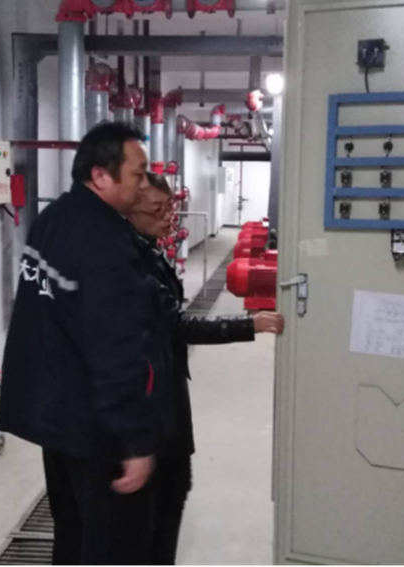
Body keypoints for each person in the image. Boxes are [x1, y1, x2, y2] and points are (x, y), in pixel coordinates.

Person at [0, 122, 162, 567]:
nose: (144, 184)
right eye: (138, 174)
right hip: (96, 426)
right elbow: (114, 349)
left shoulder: (53, 219)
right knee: (113, 547)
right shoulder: (105, 241)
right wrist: (134, 442)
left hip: (56, 418)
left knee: (72, 532)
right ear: (101, 175)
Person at [127, 172, 285, 566]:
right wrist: (248, 325)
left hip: (164, 387)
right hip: (149, 397)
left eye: (171, 207)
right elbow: (177, 325)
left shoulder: (146, 251)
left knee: (174, 490)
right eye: (157, 210)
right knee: (162, 498)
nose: (169, 217)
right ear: (128, 210)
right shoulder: (129, 262)